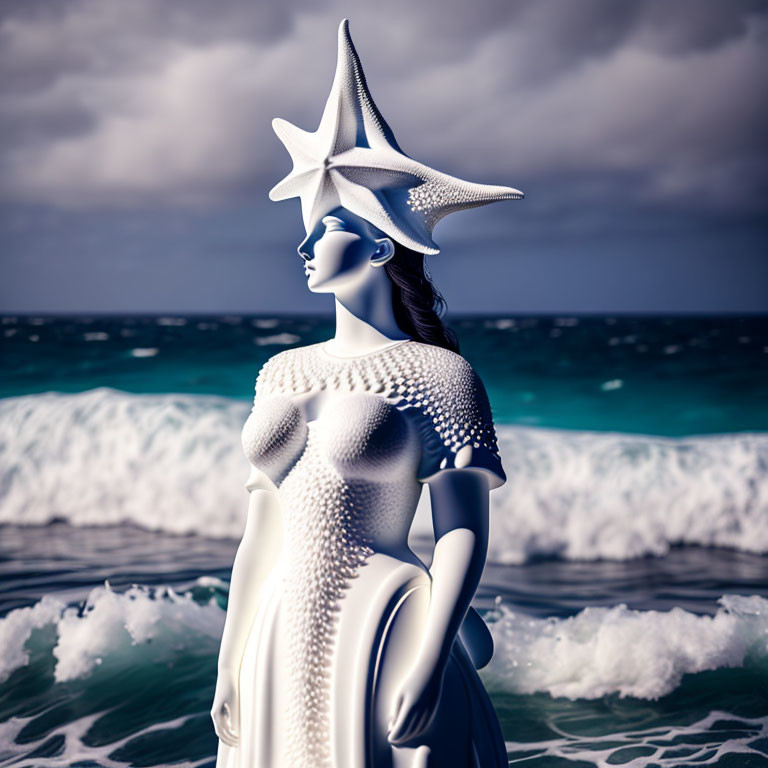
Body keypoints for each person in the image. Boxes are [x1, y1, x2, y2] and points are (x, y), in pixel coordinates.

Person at [211, 18, 523, 768]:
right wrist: (229, 659)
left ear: (381, 244)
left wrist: (430, 655)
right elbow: (262, 531)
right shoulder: (281, 370)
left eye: (327, 229)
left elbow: (461, 533)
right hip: (282, 628)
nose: (305, 245)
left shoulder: (439, 375)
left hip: (385, 627)